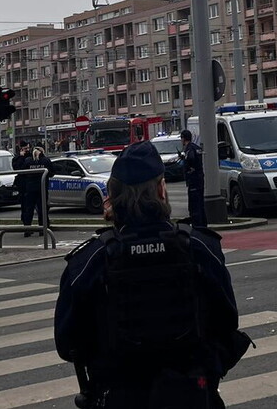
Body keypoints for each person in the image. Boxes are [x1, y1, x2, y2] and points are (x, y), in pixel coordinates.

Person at [54, 141, 251, 408]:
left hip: (118, 397)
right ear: (161, 189)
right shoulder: (199, 247)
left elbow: (67, 344)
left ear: (112, 195)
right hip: (192, 396)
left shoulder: (90, 261)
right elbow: (227, 322)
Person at [180, 129, 206, 227]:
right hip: (200, 179)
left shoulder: (189, 148)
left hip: (193, 181)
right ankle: (203, 224)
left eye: (181, 138)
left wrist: (189, 167)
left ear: (184, 138)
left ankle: (197, 226)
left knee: (194, 206)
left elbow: (190, 158)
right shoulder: (196, 147)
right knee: (200, 204)